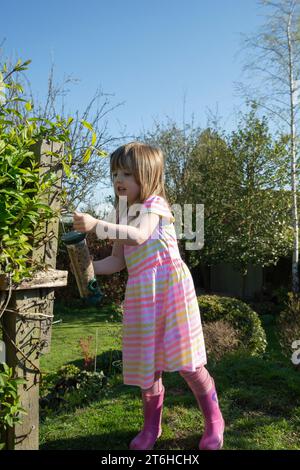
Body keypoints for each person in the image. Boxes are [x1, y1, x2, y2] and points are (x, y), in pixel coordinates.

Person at [73, 141, 225, 451]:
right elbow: (117, 261)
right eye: (115, 172)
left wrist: (96, 226)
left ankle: (214, 422)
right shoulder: (120, 212)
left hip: (170, 292)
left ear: (148, 175)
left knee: (188, 365)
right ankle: (150, 429)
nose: (119, 179)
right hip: (142, 295)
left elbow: (140, 235)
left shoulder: (155, 205)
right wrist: (83, 268)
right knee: (148, 366)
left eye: (127, 173)